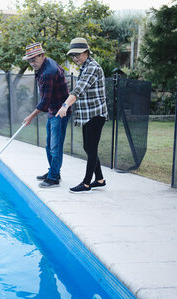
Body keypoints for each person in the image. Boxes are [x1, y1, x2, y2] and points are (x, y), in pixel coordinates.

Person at [56, 37, 108, 193]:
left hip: (96, 114)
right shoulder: (85, 67)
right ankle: (99, 179)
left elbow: (79, 90)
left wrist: (65, 105)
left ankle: (86, 184)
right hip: (88, 114)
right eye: (73, 55)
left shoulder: (92, 67)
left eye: (78, 55)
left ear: (86, 52)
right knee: (88, 147)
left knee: (91, 148)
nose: (75, 58)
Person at [22, 43, 71, 188]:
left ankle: (54, 178)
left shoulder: (48, 72)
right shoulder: (46, 64)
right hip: (52, 110)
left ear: (42, 56)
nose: (32, 63)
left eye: (34, 59)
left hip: (60, 111)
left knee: (55, 146)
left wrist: (30, 116)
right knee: (49, 145)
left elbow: (44, 102)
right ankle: (53, 171)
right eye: (29, 60)